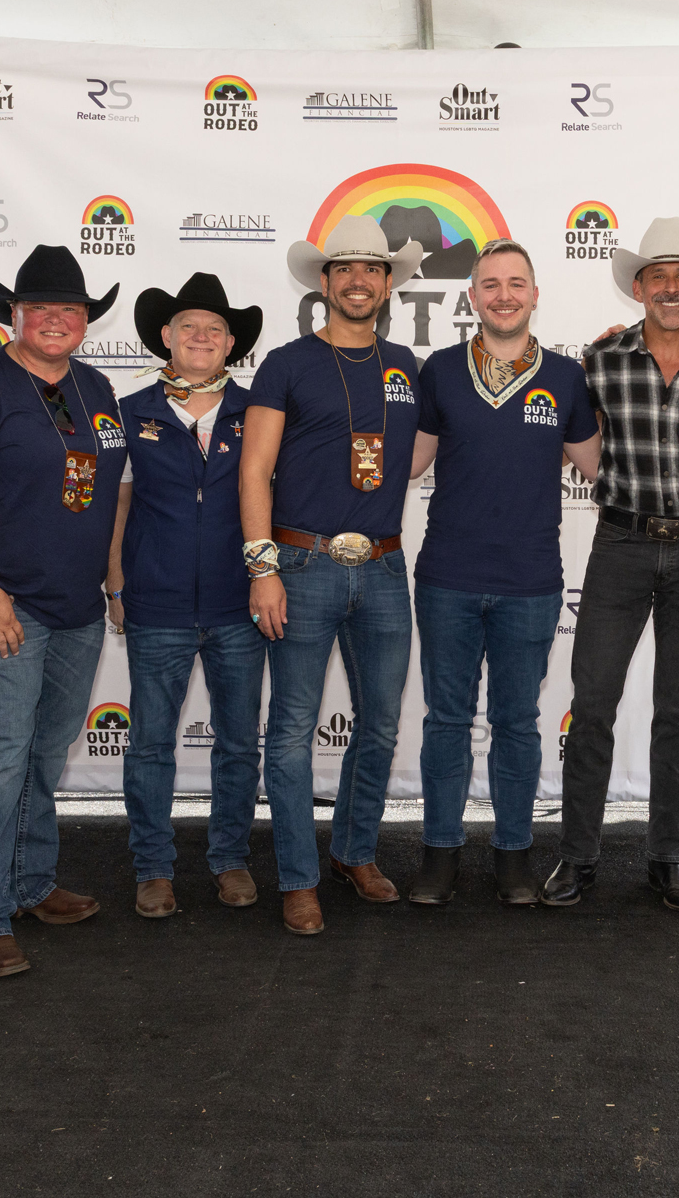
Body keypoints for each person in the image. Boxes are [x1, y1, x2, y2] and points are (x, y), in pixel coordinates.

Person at [543, 217, 679, 913]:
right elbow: (567, 437)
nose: (670, 287)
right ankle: (577, 857)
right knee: (592, 703)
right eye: (657, 275)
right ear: (638, 288)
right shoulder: (599, 362)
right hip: (621, 544)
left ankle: (669, 859)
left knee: (678, 708)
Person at [0, 246, 125, 978]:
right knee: (0, 754)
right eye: (39, 307)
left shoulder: (96, 385)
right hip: (1, 603)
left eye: (69, 309)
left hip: (76, 605)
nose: (55, 319)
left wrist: (114, 583)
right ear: (13, 314)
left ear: (85, 320)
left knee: (44, 750)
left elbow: (110, 492)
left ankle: (29, 882)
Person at [240, 215, 424, 935]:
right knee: (291, 729)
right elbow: (254, 470)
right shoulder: (285, 363)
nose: (358, 280)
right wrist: (263, 568)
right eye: (344, 268)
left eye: (372, 269)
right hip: (301, 562)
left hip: (383, 565)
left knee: (380, 724)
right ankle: (297, 876)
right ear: (323, 281)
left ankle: (354, 851)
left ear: (388, 284)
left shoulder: (407, 366)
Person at [405, 239, 601, 906]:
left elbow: (601, 468)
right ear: (473, 297)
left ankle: (513, 855)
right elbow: (411, 463)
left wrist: (623, 383)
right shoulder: (439, 370)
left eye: (516, 283)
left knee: (517, 722)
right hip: (447, 577)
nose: (504, 295)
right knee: (446, 720)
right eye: (490, 284)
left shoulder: (568, 377)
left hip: (530, 581)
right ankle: (439, 852)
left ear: (535, 294)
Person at [106, 273, 265, 918]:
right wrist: (115, 583)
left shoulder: (258, 412)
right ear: (166, 337)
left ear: (231, 343)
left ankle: (230, 859)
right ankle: (152, 867)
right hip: (156, 602)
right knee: (149, 743)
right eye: (189, 326)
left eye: (215, 328)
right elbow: (118, 504)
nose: (202, 336)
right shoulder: (129, 410)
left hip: (240, 604)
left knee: (238, 742)